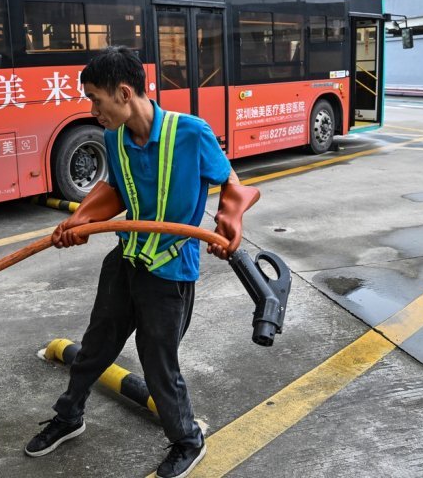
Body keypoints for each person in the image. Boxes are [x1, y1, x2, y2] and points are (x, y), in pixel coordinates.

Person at [25, 46, 256, 478]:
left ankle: (188, 440)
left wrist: (230, 221)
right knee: (94, 347)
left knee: (157, 361)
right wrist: (80, 220)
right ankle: (69, 416)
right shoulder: (115, 137)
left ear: (125, 92)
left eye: (96, 99)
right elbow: (116, 190)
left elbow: (231, 185)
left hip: (170, 272)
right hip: (126, 260)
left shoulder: (192, 133)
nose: (93, 110)